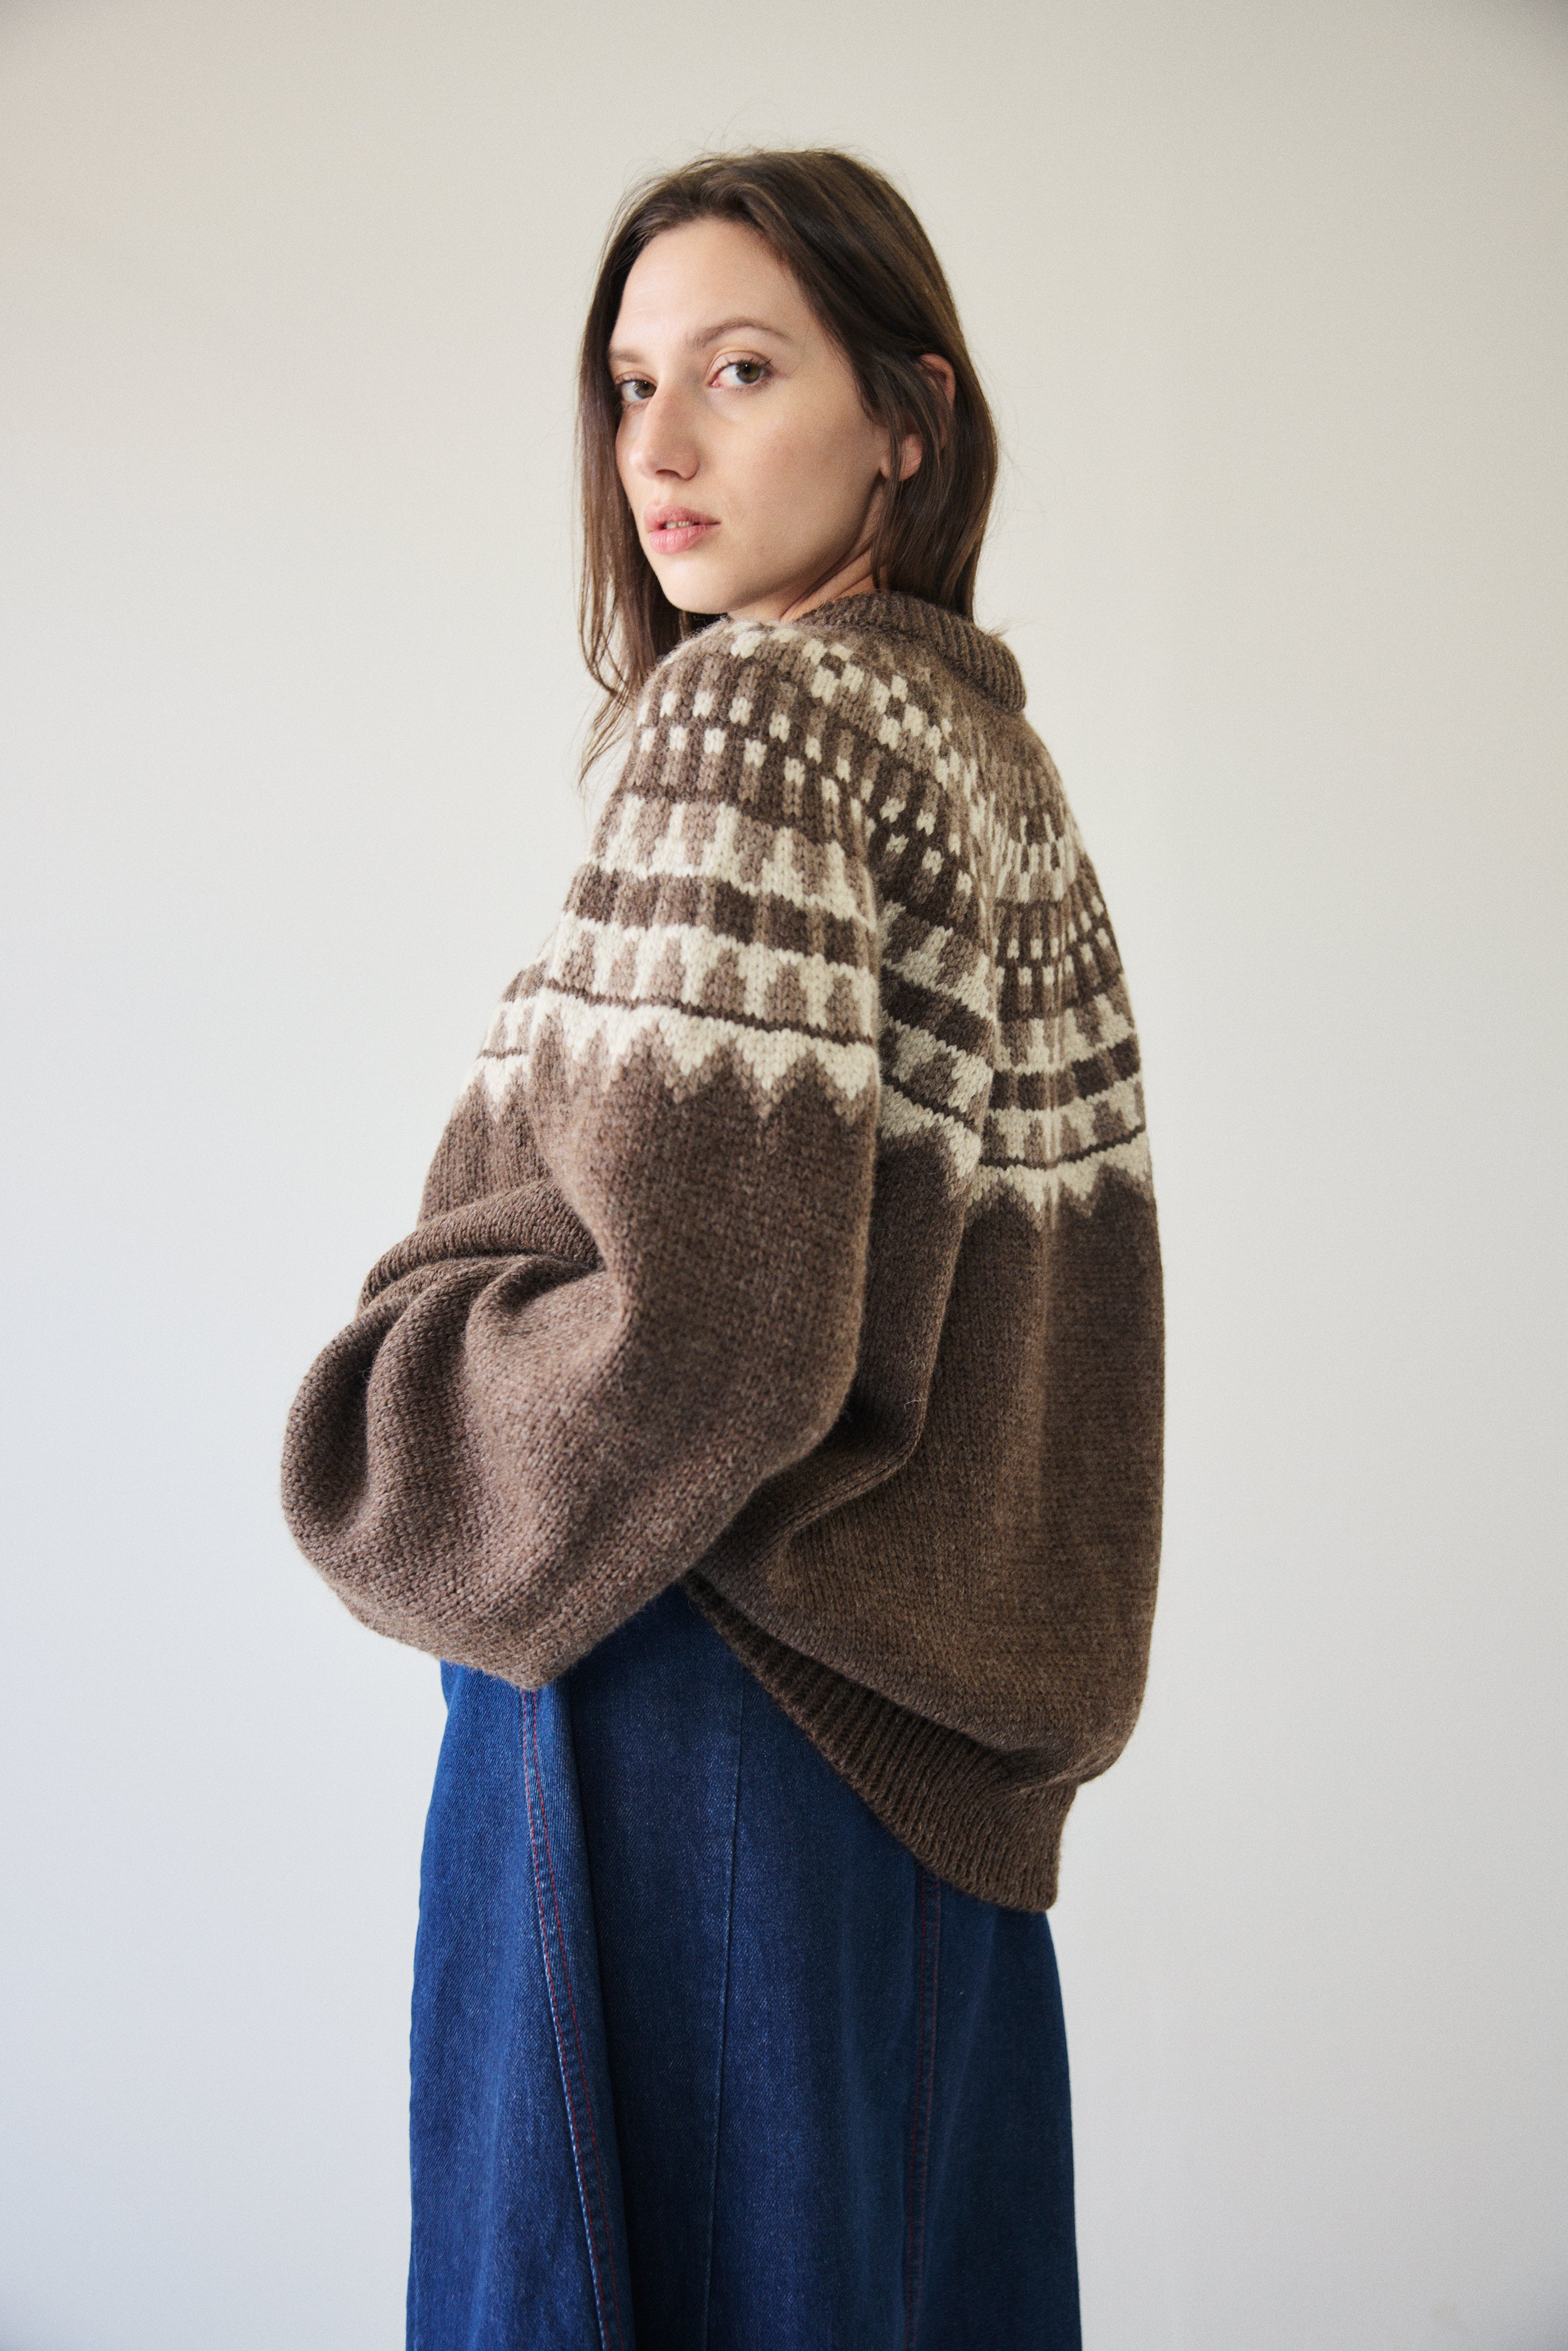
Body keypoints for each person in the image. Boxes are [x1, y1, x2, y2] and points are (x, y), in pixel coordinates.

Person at [281, 146, 1163, 2351]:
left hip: (687, 1705)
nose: (657, 446)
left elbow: (701, 1333)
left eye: (740, 371)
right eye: (628, 383)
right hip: (921, 1783)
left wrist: (395, 1433)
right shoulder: (991, 764)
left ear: (906, 417)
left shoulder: (749, 715)